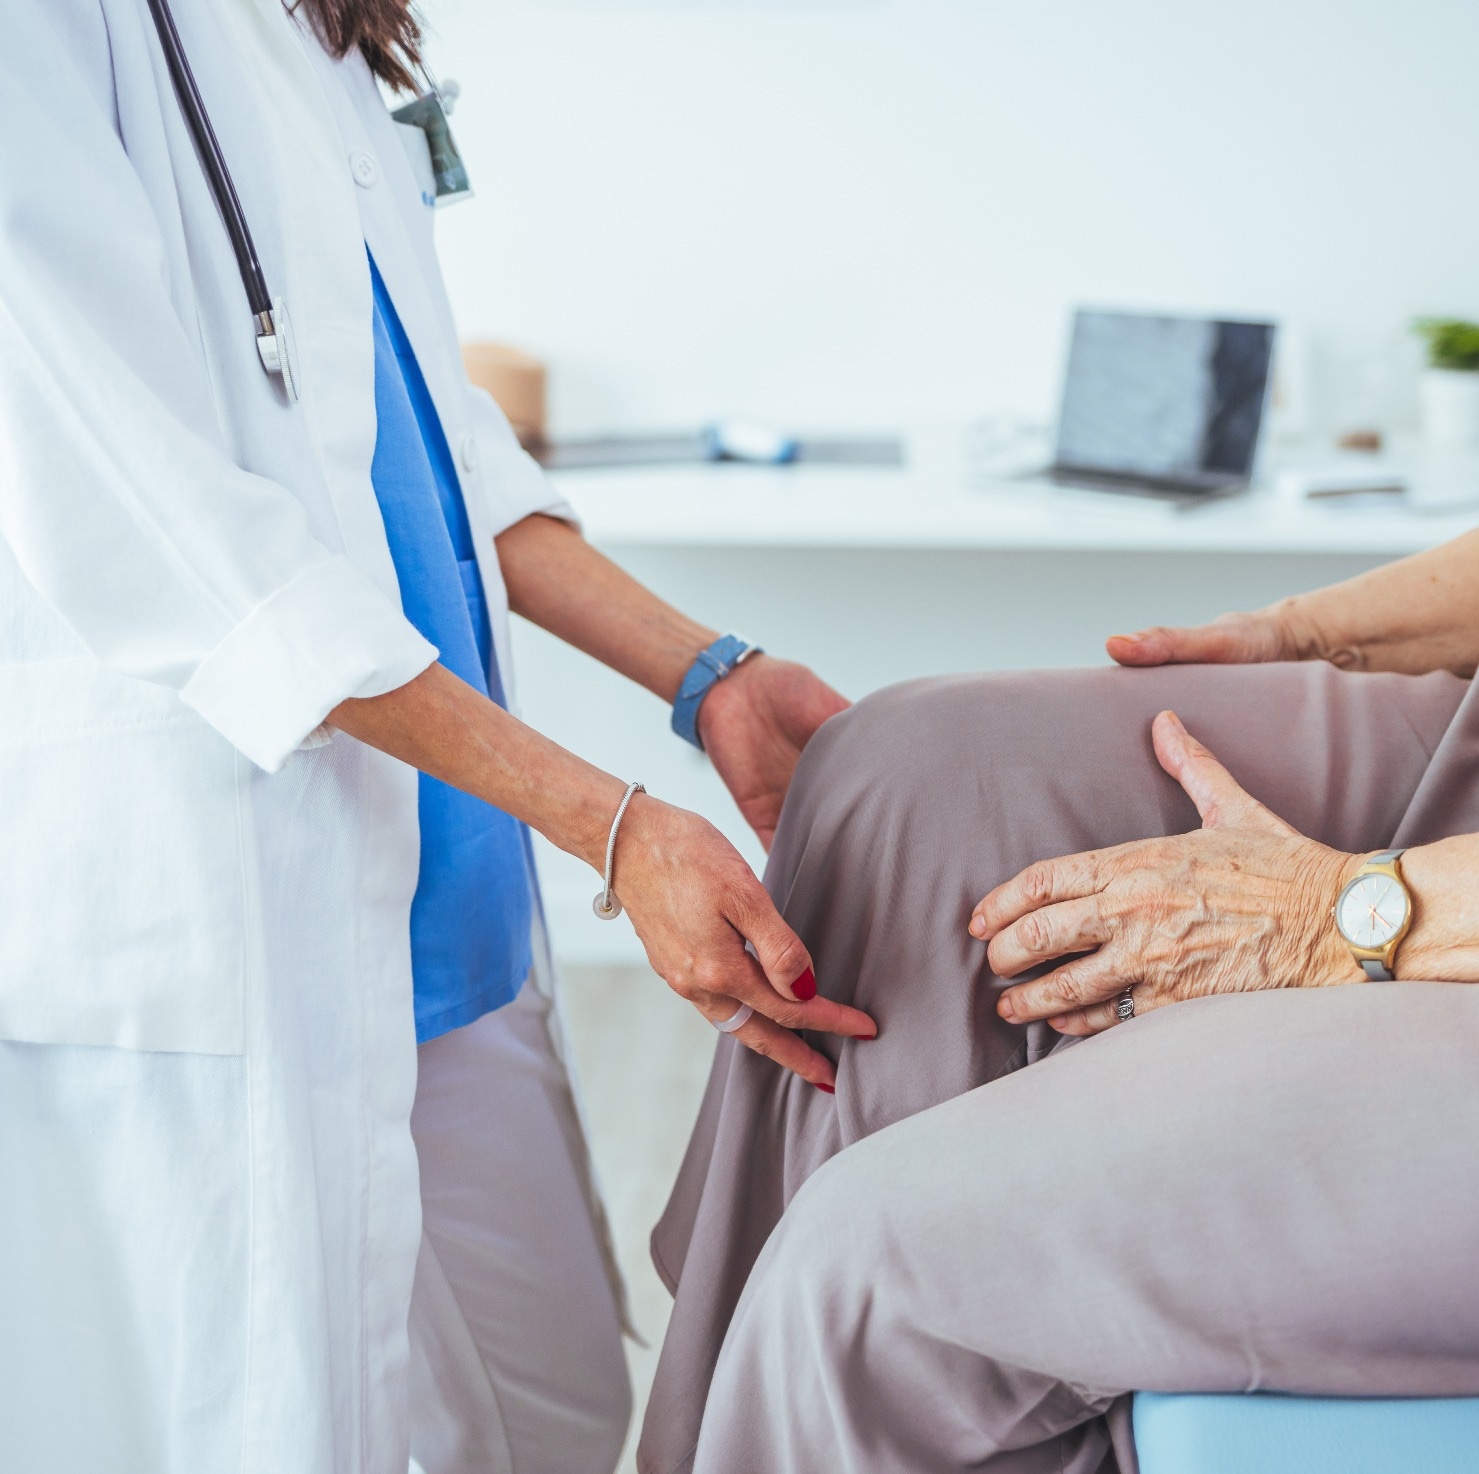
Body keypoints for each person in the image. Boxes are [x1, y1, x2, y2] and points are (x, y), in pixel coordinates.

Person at [639, 5, 1479, 1471]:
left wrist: (1347, 913)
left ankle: (878, 1361)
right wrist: (1311, 634)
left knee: (884, 1269)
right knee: (901, 786)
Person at [0, 3, 874, 1472]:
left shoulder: (309, 28)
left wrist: (709, 675)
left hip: (447, 903)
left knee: (559, 1415)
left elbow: (437, 439)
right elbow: (186, 535)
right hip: (237, 905)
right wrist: (607, 819)